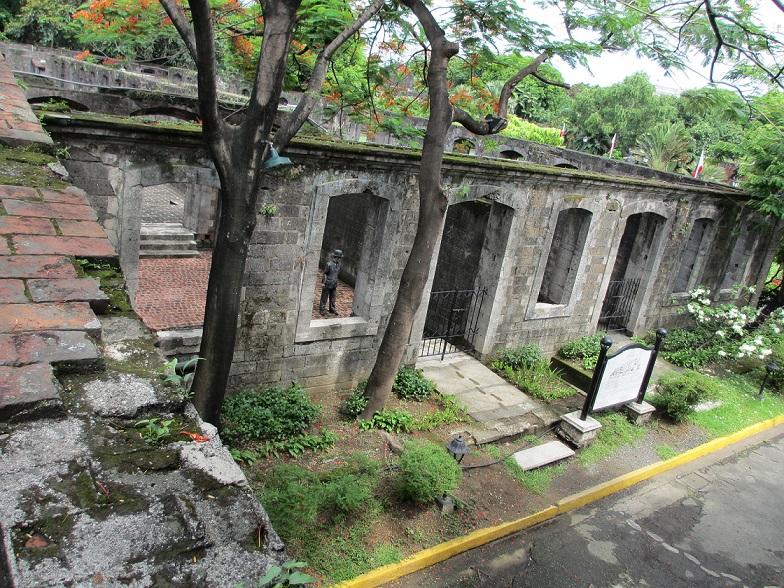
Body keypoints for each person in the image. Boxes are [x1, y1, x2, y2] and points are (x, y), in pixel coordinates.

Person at [319, 249, 343, 315]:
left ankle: (332, 309)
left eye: (340, 258)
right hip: (327, 283)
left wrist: (336, 282)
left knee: (333, 297)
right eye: (339, 258)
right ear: (335, 257)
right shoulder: (329, 264)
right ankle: (322, 309)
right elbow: (325, 273)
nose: (339, 259)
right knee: (324, 297)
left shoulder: (339, 265)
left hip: (334, 284)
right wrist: (324, 283)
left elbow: (337, 274)